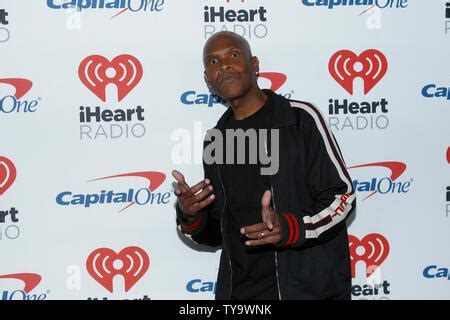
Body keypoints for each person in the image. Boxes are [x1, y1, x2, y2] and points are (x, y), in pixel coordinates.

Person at [172, 31, 356, 300]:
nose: (223, 65)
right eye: (213, 61)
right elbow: (219, 232)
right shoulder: (216, 139)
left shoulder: (298, 119)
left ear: (254, 65)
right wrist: (191, 215)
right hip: (241, 293)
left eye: (233, 55)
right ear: (207, 79)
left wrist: (292, 228)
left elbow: (342, 197)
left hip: (307, 290)